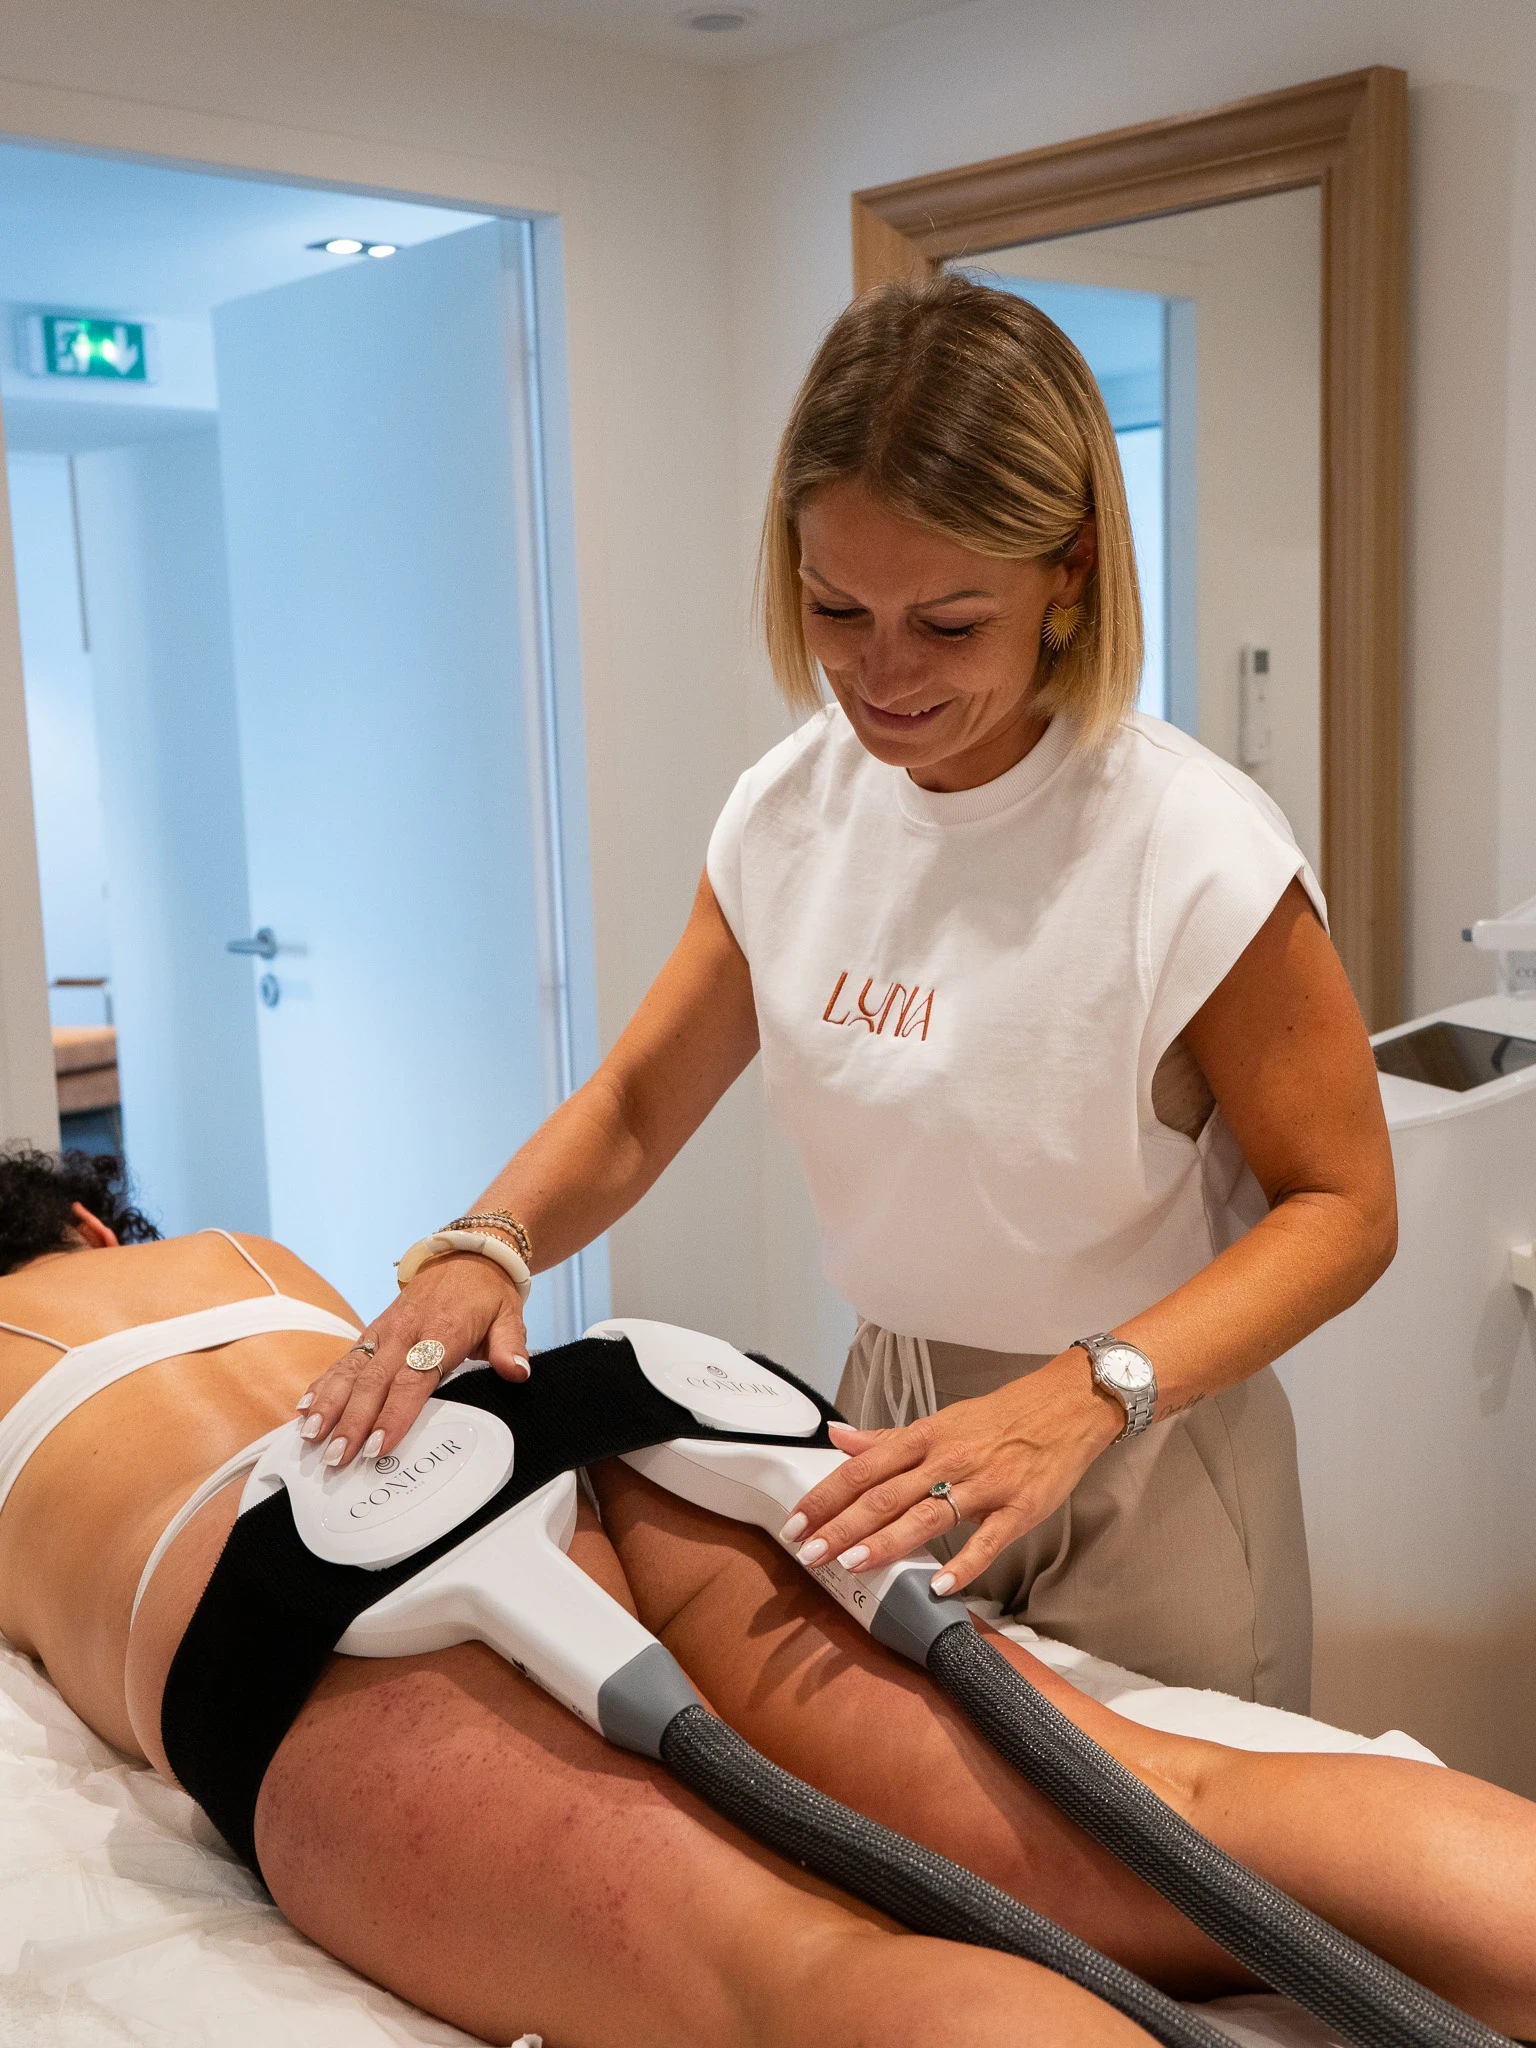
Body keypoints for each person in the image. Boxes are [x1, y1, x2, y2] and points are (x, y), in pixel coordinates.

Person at [309, 272, 1396, 1710]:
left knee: (1170, 1846)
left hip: (1142, 1444)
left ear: (1070, 571)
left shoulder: (1189, 847)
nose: (882, 675)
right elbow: (638, 1103)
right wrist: (488, 1245)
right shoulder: (790, 813)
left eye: (948, 624)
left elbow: (1347, 1208)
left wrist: (1085, 1396)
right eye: (837, 608)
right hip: (887, 1419)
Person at [1, 1148, 1534, 2048]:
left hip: (301, 1572)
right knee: (1181, 1806)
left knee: (802, 1979)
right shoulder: (237, 1255)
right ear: (90, 1227)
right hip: (613, 1400)